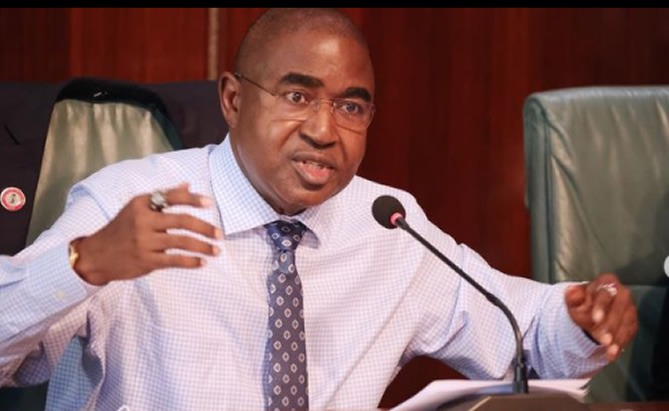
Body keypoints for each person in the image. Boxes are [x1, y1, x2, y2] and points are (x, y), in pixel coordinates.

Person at [0, 8, 637, 411]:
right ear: (233, 100)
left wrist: (581, 319)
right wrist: (84, 263)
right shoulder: (128, 203)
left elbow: (523, 329)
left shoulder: (388, 223)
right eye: (297, 96)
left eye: (351, 107)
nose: (325, 130)